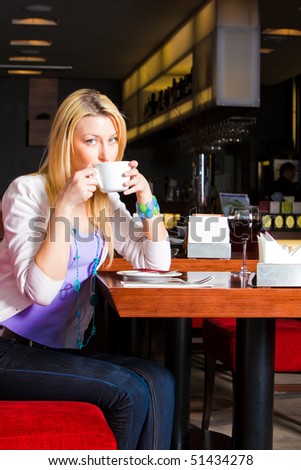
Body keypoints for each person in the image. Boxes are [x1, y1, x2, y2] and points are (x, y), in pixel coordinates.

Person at [0, 89, 174, 450]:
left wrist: (147, 201)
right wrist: (63, 205)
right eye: (92, 141)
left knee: (159, 379)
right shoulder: (27, 192)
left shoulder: (104, 202)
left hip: (53, 349)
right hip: (8, 347)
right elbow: (41, 293)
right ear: (67, 142)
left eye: (112, 140)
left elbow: (156, 261)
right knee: (128, 391)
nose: (106, 154)